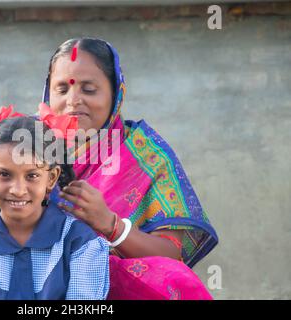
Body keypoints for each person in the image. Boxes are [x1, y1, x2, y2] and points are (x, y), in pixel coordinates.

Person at [38, 38, 219, 300]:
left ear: (116, 93)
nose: (73, 101)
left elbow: (171, 255)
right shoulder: (29, 148)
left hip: (119, 286)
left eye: (89, 89)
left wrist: (110, 224)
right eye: (62, 89)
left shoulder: (145, 155)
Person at [0, 106, 110, 300]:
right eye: (4, 174)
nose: (18, 190)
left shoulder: (80, 243)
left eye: (32, 175)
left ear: (51, 179)